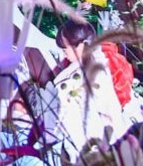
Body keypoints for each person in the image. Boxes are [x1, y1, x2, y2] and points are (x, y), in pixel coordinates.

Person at [45, 20, 133, 161]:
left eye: (65, 48)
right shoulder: (78, 71)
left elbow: (108, 111)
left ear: (80, 45)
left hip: (95, 143)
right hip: (80, 143)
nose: (64, 53)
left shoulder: (95, 72)